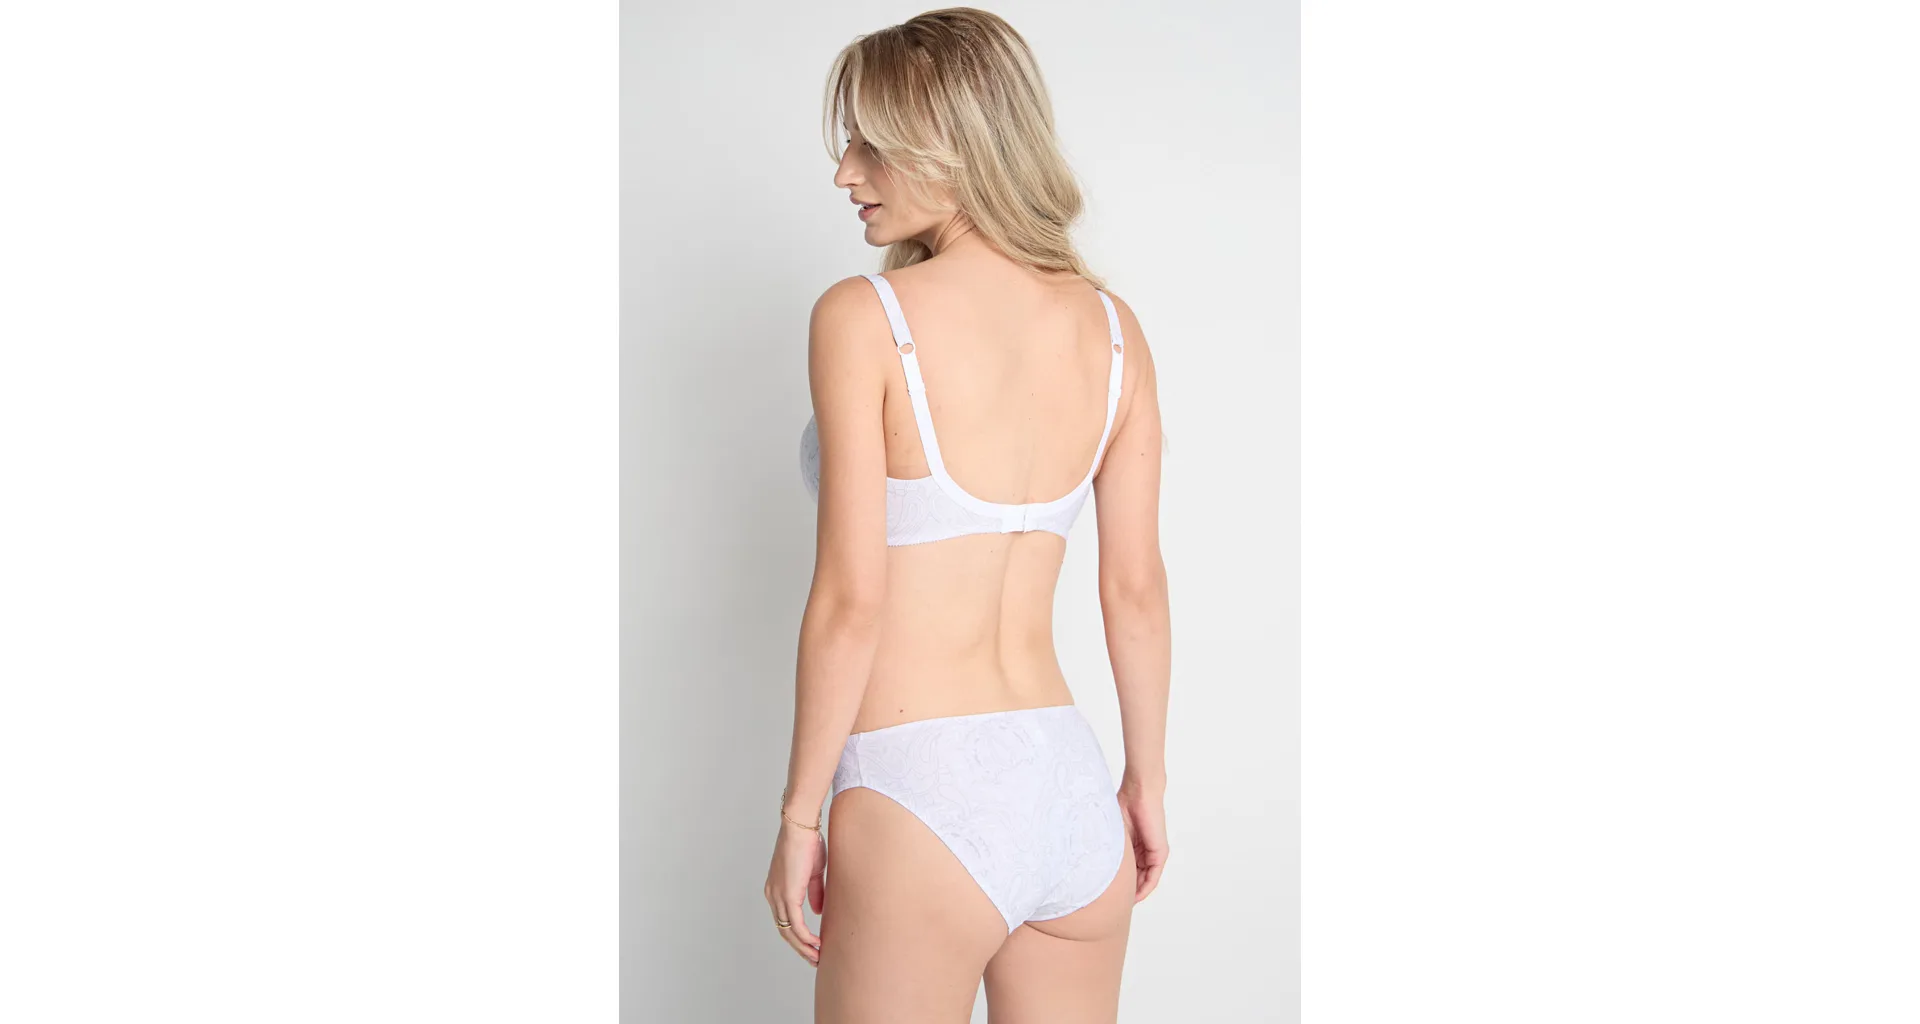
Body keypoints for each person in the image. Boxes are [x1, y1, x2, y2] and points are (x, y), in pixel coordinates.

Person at [764, 9, 1171, 1022]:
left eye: (870, 145)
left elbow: (852, 601)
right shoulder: (1115, 331)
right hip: (1071, 791)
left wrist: (799, 815)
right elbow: (1134, 589)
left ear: (947, 143)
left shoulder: (864, 318)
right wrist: (1145, 784)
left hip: (920, 792)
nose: (845, 173)